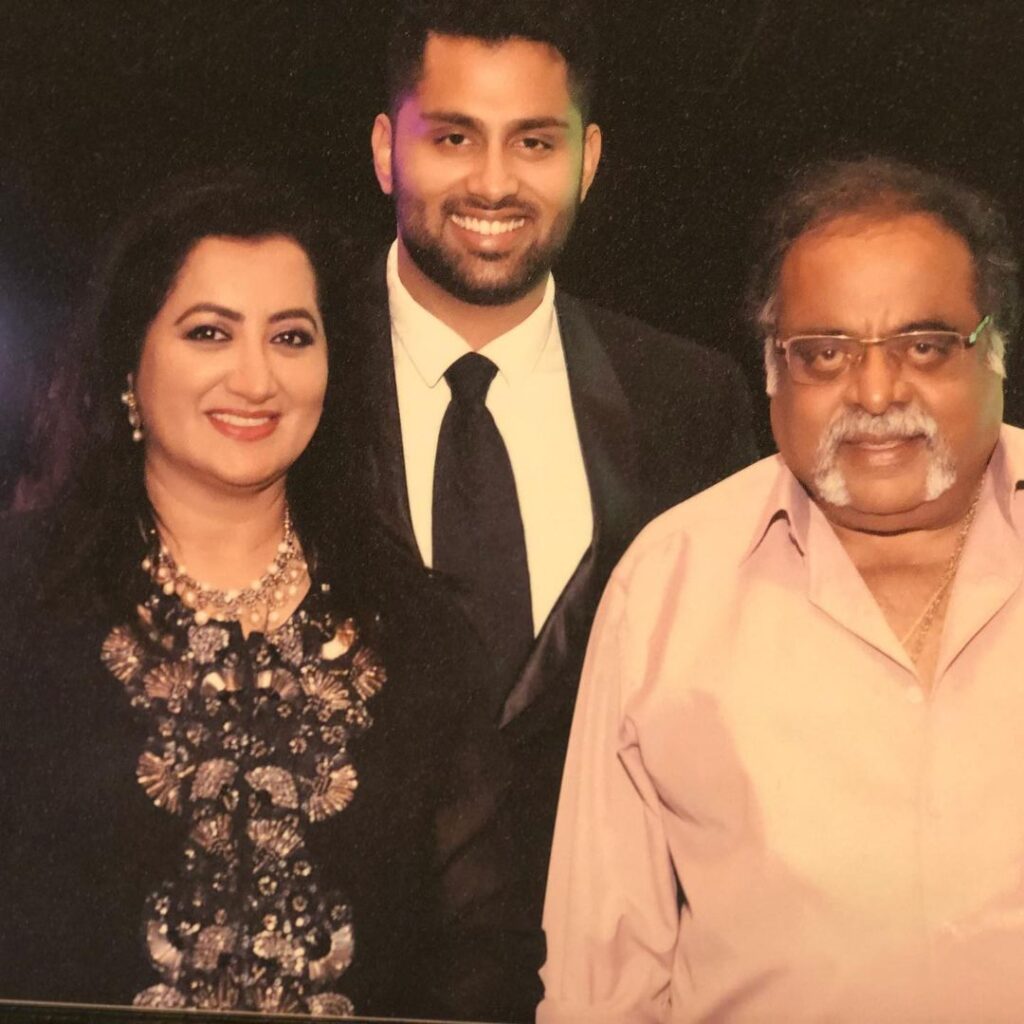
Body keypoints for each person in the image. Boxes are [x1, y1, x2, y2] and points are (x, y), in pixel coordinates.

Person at [0, 176, 503, 1020]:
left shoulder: (419, 637)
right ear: (132, 360)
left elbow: (485, 951)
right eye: (209, 333)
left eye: (292, 337)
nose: (255, 378)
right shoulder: (21, 597)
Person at [340, 3, 758, 1015]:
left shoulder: (689, 401)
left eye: (534, 141)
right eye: (452, 136)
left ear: (588, 158)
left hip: (611, 982)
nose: (492, 182)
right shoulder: (283, 384)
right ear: (387, 151)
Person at [539, 156, 1024, 1022]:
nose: (875, 393)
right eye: (825, 353)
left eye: (923, 345)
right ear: (772, 369)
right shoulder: (668, 584)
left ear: (994, 351)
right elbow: (598, 978)